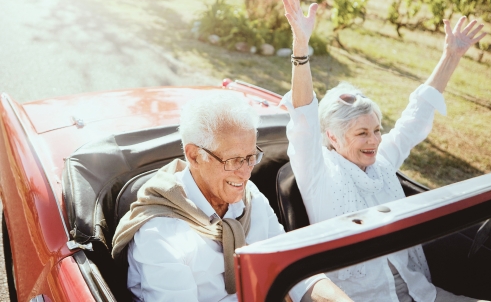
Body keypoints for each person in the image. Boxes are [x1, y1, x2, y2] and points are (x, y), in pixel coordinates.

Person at [280, 0, 489, 302]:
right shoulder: (318, 171)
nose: (375, 141)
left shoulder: (381, 161)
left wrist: (451, 55)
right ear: (332, 137)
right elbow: (305, 115)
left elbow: (415, 117)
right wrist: (300, 44)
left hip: (420, 292)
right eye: (362, 133)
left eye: (377, 130)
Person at [111, 91, 352, 302]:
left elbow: (293, 268)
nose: (246, 172)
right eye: (234, 160)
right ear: (194, 156)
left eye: (250, 157)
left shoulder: (251, 197)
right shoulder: (160, 235)